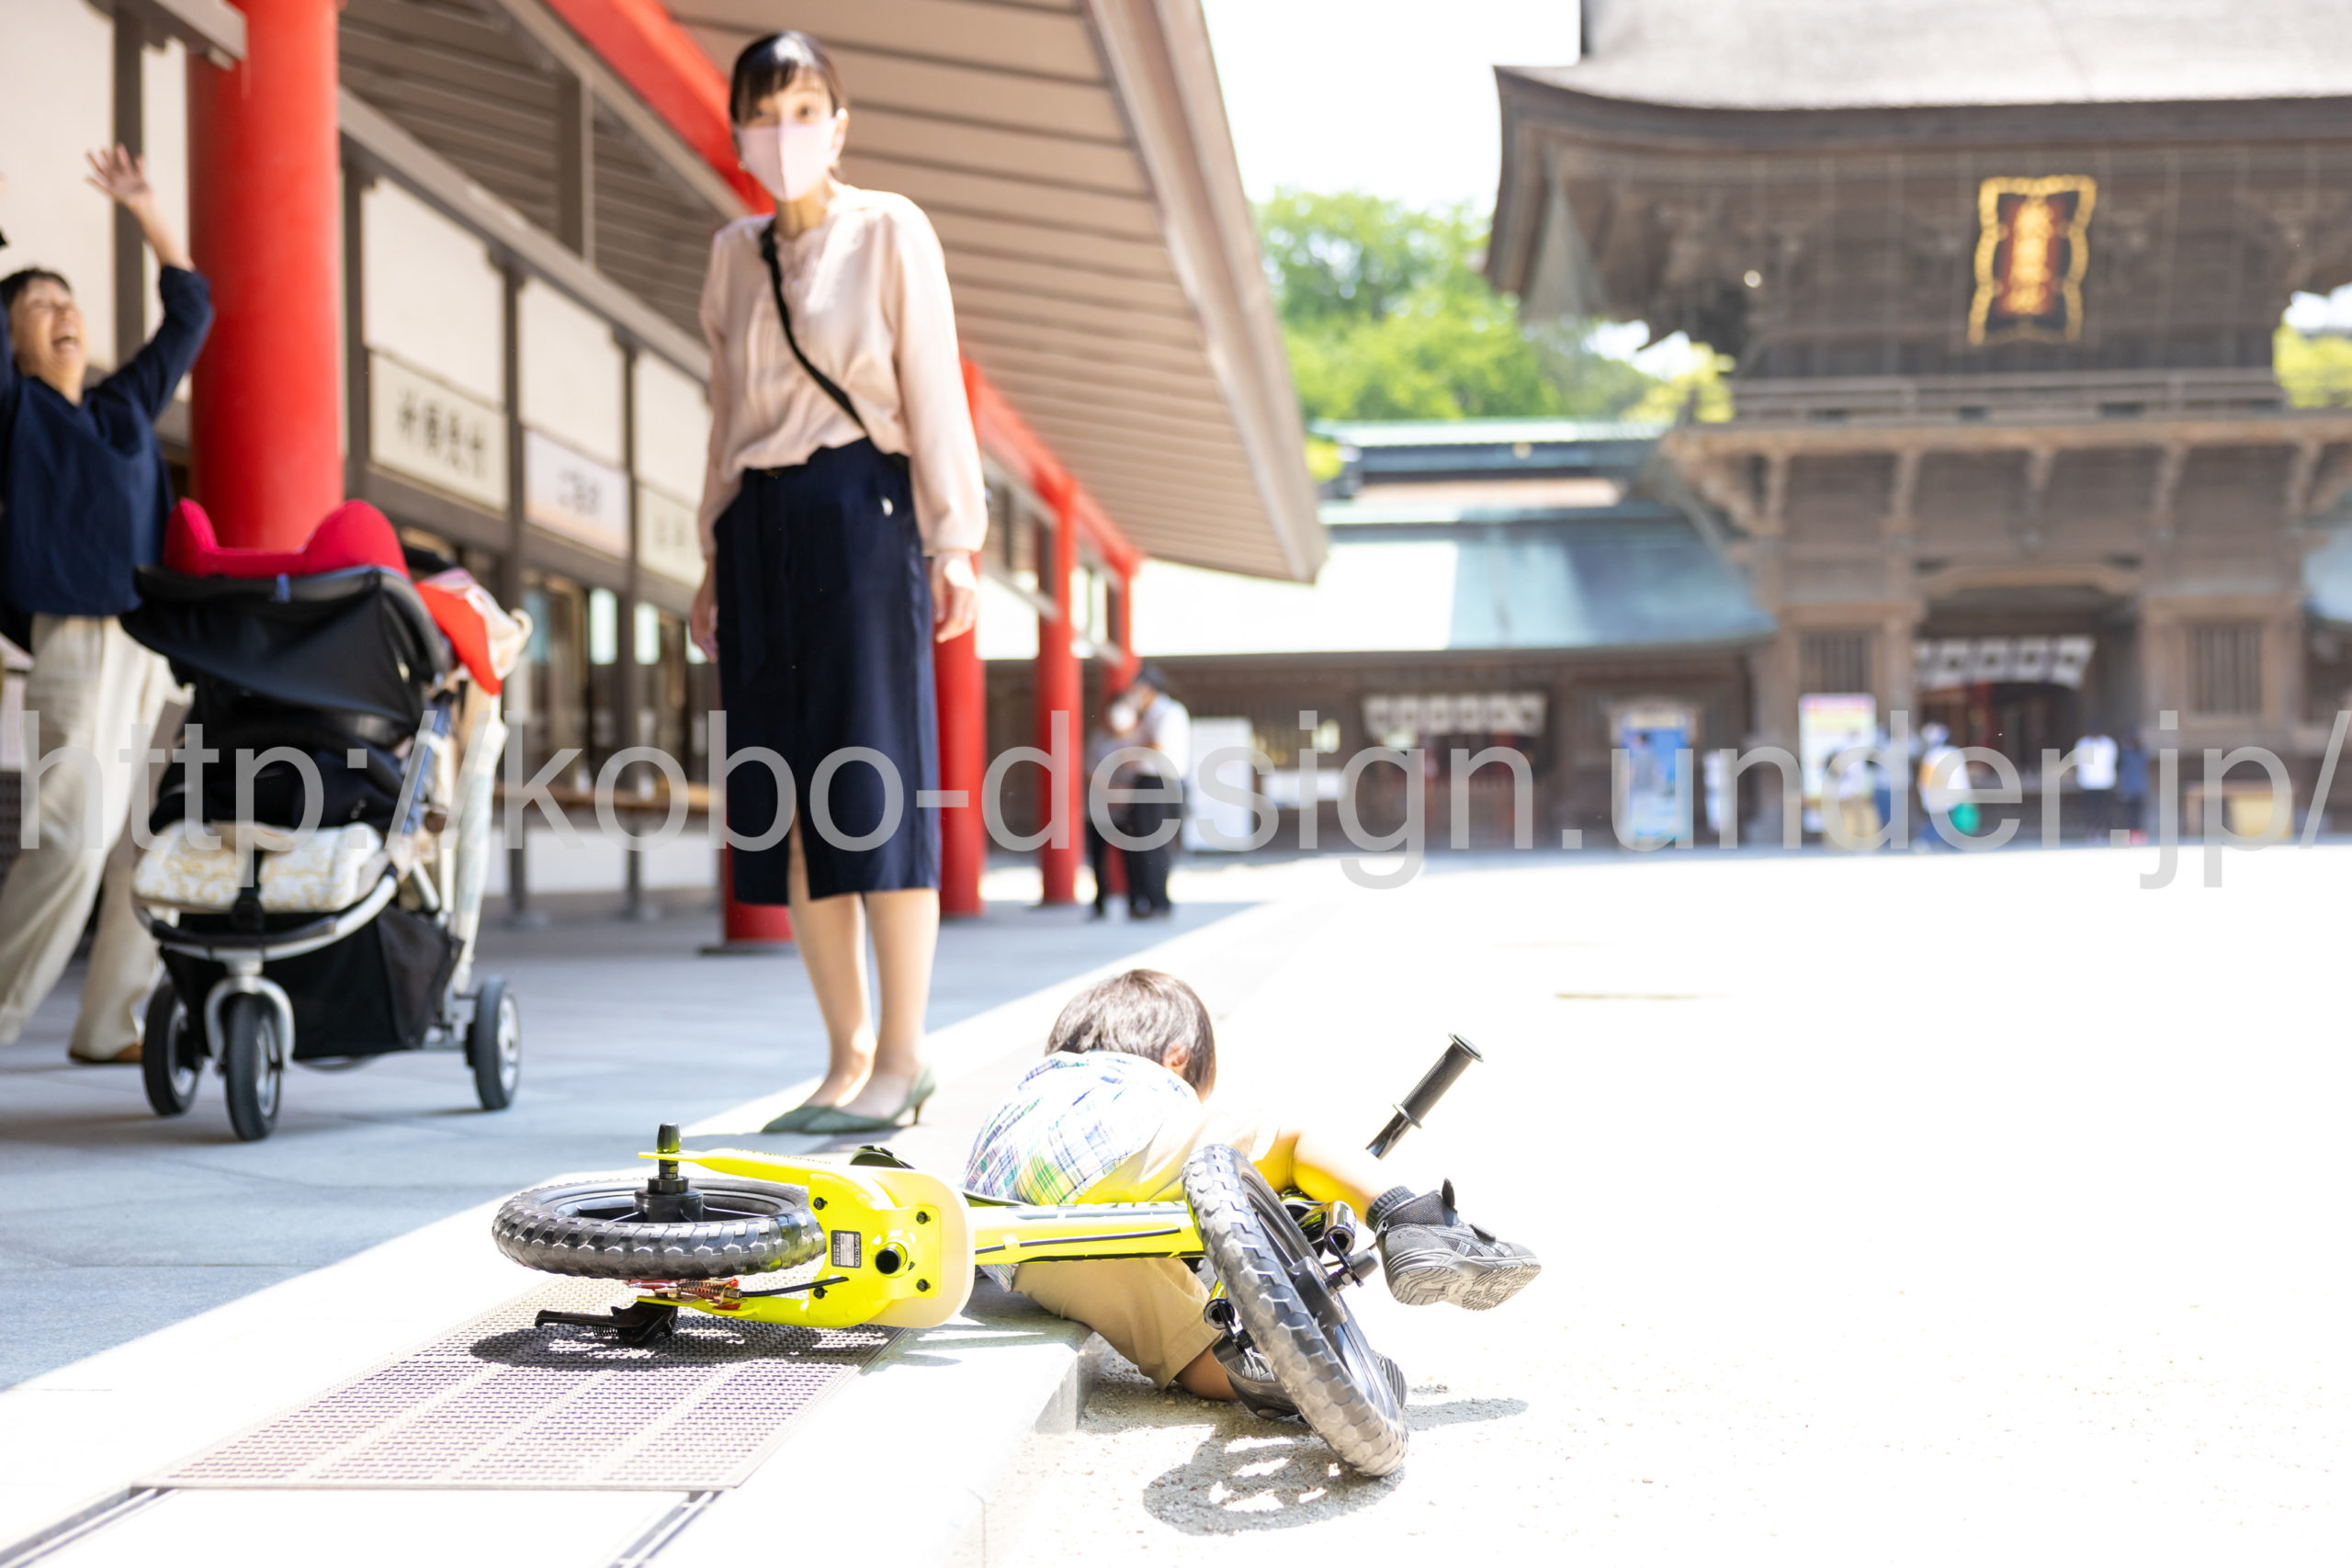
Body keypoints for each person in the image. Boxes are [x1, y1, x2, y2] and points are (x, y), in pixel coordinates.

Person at [688, 34, 984, 1134]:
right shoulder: (733, 255)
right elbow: (727, 416)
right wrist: (711, 551)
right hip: (758, 526)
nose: (786, 132)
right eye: (765, 113)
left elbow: (932, 383)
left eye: (806, 108)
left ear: (839, 122)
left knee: (875, 788)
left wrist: (955, 539)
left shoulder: (889, 229)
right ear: (737, 133)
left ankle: (904, 1058)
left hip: (865, 511)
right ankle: (844, 1057)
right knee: (790, 801)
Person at [964, 969, 1541, 1411]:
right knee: (1290, 1141)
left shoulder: (1038, 1086)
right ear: (1177, 1059)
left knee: (1187, 1342)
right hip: (1110, 1149)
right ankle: (1417, 1223)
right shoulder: (1135, 1085)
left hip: (1020, 1240)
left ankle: (1283, 1379)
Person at [0, 152, 210, 1063]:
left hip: (148, 645)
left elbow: (190, 315)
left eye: (69, 300)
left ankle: (109, 1022)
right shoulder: (14, 410)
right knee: (71, 844)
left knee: (151, 841)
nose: (64, 312)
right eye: (38, 304)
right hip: (76, 637)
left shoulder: (123, 405)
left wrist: (150, 211)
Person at [1111, 669, 1187, 919]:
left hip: (1159, 781)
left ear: (1148, 689)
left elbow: (1157, 746)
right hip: (1146, 781)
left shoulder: (1169, 712)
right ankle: (1143, 900)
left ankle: (1158, 902)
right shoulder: (1146, 715)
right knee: (1139, 842)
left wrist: (1131, 756)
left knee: (1154, 843)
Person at [1083, 698, 1135, 920]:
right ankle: (1099, 903)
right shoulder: (1099, 739)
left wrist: (1126, 793)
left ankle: (1134, 901)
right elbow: (1091, 769)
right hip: (1098, 807)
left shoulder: (1136, 739)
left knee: (1131, 858)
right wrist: (1110, 790)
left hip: (1127, 808)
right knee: (1098, 859)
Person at [1917, 723, 1970, 850]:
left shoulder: (1932, 756)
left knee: (1939, 821)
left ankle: (1927, 842)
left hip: (1938, 795)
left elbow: (1925, 781)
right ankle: (1929, 841)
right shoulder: (1952, 754)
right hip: (1947, 795)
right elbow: (1960, 777)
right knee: (1944, 821)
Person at [2073, 728, 2118, 842]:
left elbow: (2112, 760)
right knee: (2090, 809)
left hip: (2104, 782)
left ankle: (2104, 831)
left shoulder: (2108, 744)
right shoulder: (2083, 743)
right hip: (2088, 782)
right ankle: (2091, 831)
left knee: (2104, 809)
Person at [2116, 730, 2150, 845]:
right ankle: (2135, 833)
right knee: (2133, 813)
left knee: (2132, 813)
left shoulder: (2128, 754)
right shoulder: (2140, 753)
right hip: (2136, 787)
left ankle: (2135, 833)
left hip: (2131, 788)